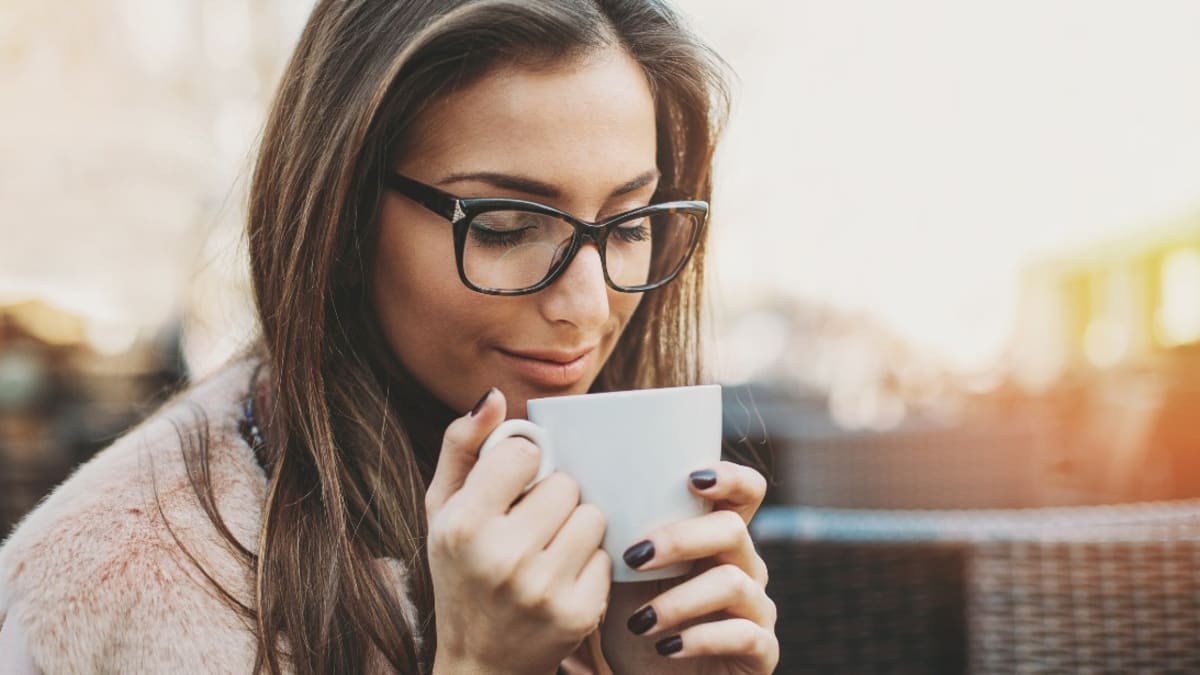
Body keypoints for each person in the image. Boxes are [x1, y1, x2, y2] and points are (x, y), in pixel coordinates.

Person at [0, 0, 778, 672]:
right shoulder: (116, 589)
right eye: (507, 226)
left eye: (631, 222)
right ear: (344, 214)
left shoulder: (639, 533)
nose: (590, 304)